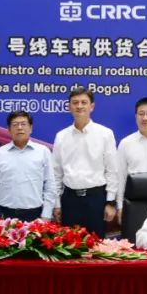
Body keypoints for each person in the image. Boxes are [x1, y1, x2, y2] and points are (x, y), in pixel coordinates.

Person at [51, 87, 118, 238]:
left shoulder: (105, 134)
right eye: (75, 103)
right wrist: (57, 204)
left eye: (84, 102)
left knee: (96, 246)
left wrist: (110, 202)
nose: (79, 106)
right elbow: (56, 173)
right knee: (69, 246)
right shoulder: (61, 136)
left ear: (91, 106)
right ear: (69, 107)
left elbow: (112, 170)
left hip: (96, 200)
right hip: (69, 200)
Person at [0, 110, 58, 221]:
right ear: (9, 129)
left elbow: (50, 186)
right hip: (4, 214)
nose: (19, 128)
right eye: (15, 124)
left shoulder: (43, 151)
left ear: (31, 128)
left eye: (23, 124)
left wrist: (46, 215)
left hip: (34, 215)